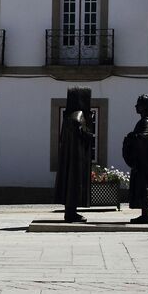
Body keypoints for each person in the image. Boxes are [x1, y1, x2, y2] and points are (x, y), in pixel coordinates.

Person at [54, 87, 93, 223]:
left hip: (70, 159)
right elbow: (83, 136)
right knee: (74, 184)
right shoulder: (78, 116)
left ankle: (70, 212)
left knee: (71, 184)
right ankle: (71, 213)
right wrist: (89, 131)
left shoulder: (69, 116)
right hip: (76, 159)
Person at [126, 94, 148, 224]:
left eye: (138, 104)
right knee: (143, 188)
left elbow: (143, 138)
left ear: (145, 107)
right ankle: (144, 215)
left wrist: (131, 137)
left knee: (143, 188)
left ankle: (145, 216)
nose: (136, 106)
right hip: (145, 163)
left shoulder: (145, 122)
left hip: (143, 164)